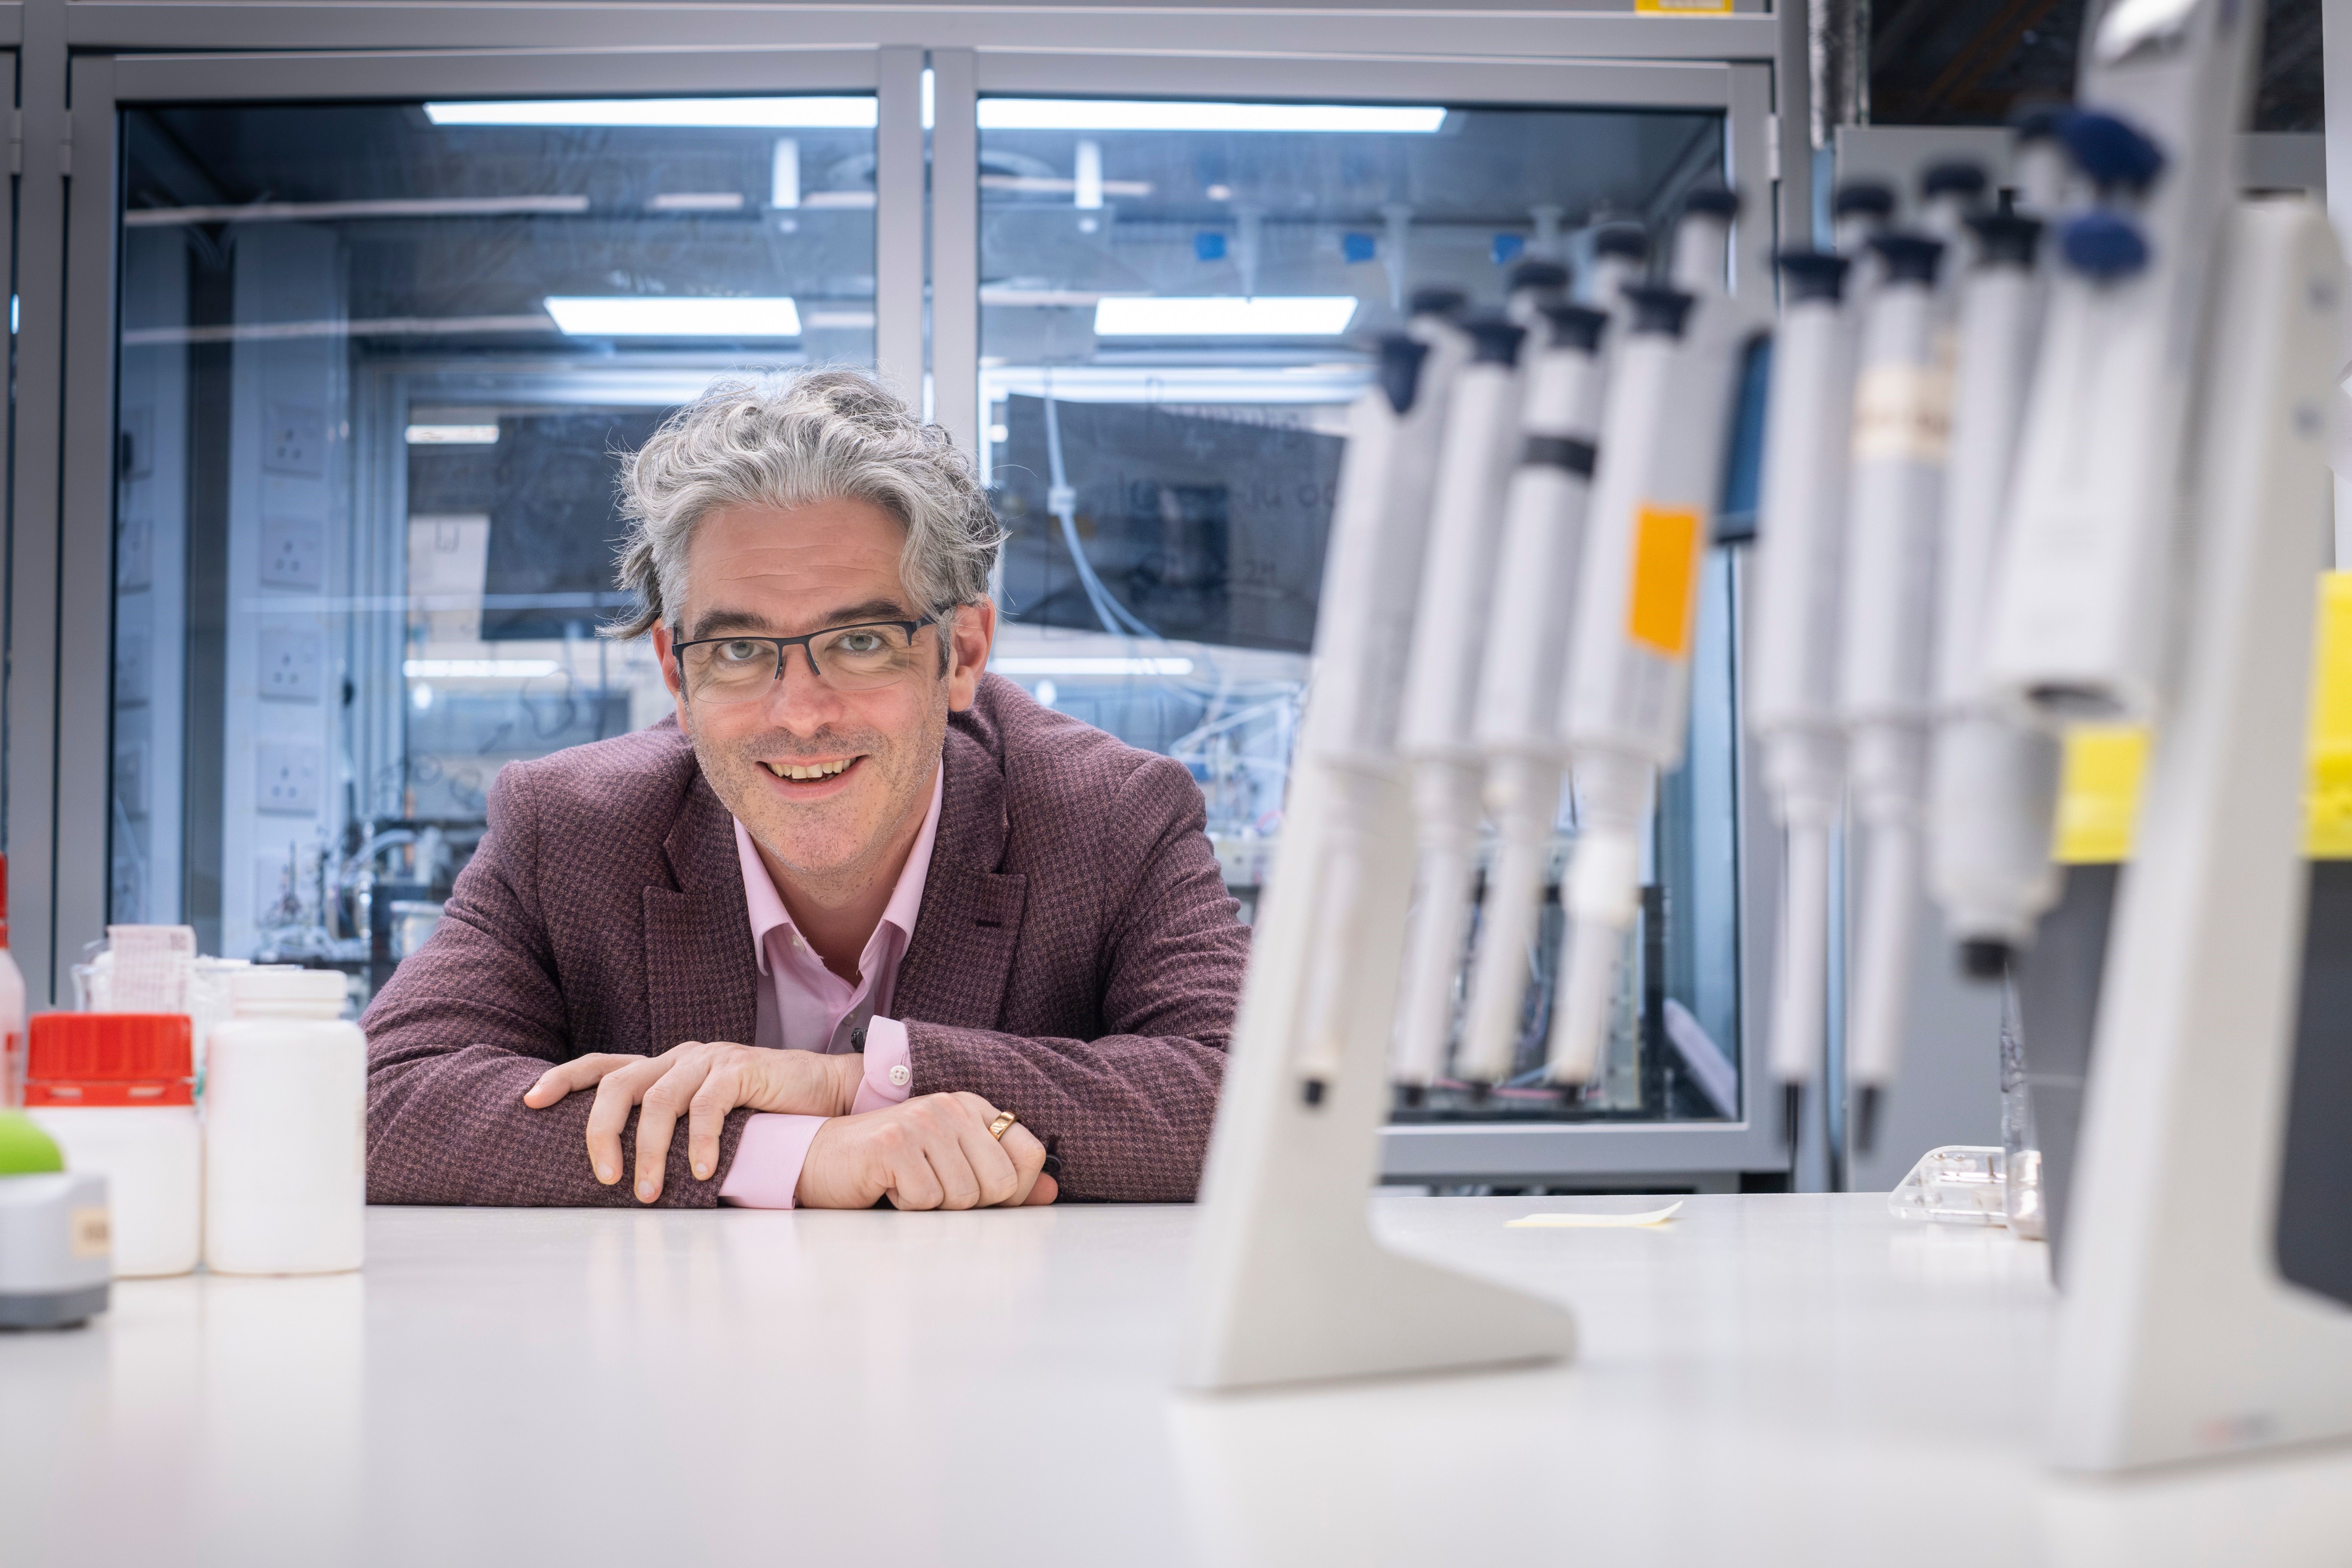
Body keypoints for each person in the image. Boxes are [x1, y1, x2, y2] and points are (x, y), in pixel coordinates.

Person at [363, 370, 1251, 1210]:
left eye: (861, 642)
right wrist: (796, 1151)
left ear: (963, 653)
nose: (799, 715)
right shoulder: (566, 830)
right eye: (738, 650)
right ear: (676, 674)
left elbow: (1252, 1098)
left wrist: (850, 1081)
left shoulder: (1112, 817)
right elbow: (379, 1101)